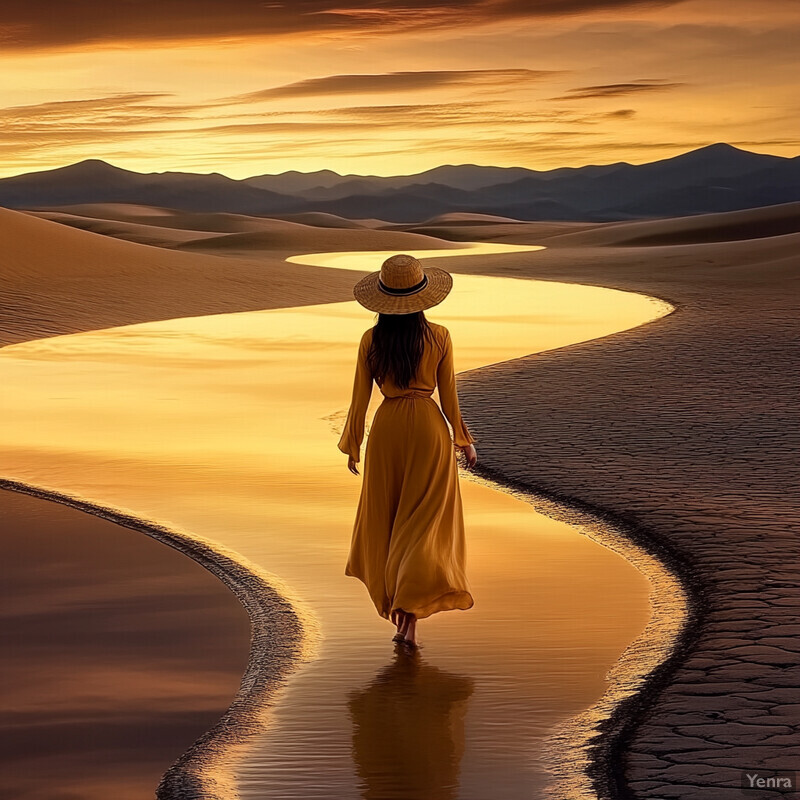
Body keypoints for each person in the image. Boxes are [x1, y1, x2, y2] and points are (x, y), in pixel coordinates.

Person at [338, 253, 478, 649]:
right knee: (423, 525)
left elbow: (359, 397)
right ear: (423, 297)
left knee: (388, 521)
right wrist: (462, 439)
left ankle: (401, 613)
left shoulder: (371, 339)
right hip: (429, 431)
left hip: (387, 431)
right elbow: (449, 396)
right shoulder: (440, 336)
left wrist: (354, 444)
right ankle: (409, 616)